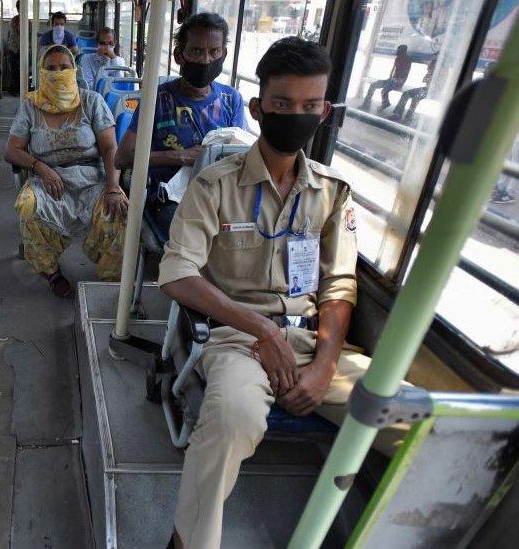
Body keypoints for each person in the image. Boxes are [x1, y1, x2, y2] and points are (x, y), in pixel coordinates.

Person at [158, 37, 409, 549]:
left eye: (309, 107)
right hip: (239, 340)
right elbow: (178, 273)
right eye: (282, 105)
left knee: (417, 420)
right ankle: (188, 543)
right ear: (257, 108)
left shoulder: (333, 193)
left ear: (325, 112)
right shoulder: (214, 186)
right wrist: (262, 328)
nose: (296, 116)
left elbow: (340, 286)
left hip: (315, 343)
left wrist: (323, 365)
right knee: (231, 421)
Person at [4, 45, 127, 297]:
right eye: (51, 68)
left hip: (92, 178)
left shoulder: (91, 101)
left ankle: (109, 279)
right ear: (41, 72)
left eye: (64, 67)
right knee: (27, 205)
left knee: (121, 212)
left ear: (75, 70)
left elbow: (109, 148)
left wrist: (114, 188)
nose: (57, 72)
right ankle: (51, 271)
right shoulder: (31, 106)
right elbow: (11, 150)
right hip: (49, 179)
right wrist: (40, 167)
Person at [114, 12, 248, 236]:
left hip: (220, 193)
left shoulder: (230, 100)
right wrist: (179, 156)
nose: (206, 60)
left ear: (223, 54)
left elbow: (240, 155)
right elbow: (122, 158)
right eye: (196, 51)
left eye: (214, 51)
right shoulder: (156, 99)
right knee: (197, 234)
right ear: (179, 55)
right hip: (169, 198)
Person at [492, 111, 519, 205]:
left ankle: (510, 194)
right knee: (509, 161)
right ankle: (500, 187)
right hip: (516, 133)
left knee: (517, 165)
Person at [362, 44, 411, 112]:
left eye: (399, 50)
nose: (398, 51)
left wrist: (398, 81)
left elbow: (405, 73)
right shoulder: (398, 58)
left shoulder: (407, 60)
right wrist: (390, 78)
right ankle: (366, 105)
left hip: (398, 82)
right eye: (398, 50)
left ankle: (385, 103)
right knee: (373, 85)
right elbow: (393, 69)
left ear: (404, 51)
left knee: (384, 91)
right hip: (391, 80)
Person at [79, 27, 126, 92]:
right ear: (97, 44)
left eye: (110, 44)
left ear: (114, 44)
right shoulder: (86, 59)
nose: (107, 47)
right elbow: (89, 87)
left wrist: (113, 57)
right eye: (102, 43)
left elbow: (119, 86)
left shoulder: (120, 61)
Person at [392, 54, 436, 123]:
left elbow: (438, 84)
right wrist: (429, 72)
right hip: (425, 89)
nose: (429, 65)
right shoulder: (431, 71)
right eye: (431, 63)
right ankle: (397, 114)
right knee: (405, 93)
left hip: (433, 91)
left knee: (416, 98)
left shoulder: (441, 70)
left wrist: (432, 75)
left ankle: (408, 119)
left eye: (432, 64)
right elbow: (424, 80)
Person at [7, 1, 22, 94]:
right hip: (13, 49)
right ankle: (15, 89)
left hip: (23, 49)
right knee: (14, 69)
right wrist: (19, 49)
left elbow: (29, 36)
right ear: (18, 9)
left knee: (23, 70)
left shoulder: (28, 22)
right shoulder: (14, 21)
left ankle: (21, 88)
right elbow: (14, 36)